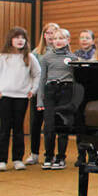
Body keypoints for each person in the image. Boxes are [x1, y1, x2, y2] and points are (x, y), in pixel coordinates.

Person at [0, 27, 41, 171]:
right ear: (11, 39)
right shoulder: (1, 57)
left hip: (21, 97)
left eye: (22, 38)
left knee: (18, 128)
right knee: (5, 127)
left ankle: (17, 159)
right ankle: (0, 160)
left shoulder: (29, 57)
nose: (20, 40)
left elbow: (37, 74)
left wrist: (33, 90)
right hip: (4, 96)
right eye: (16, 37)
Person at [37, 28, 77, 170]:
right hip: (50, 90)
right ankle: (48, 156)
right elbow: (42, 79)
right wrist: (39, 100)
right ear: (52, 41)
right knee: (49, 125)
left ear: (68, 40)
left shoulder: (73, 58)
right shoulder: (46, 58)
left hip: (66, 90)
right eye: (55, 38)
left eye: (61, 38)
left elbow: (76, 79)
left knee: (62, 125)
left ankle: (61, 157)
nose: (58, 41)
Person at [28, 22, 60, 166]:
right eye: (48, 33)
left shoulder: (60, 52)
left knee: (51, 125)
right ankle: (34, 153)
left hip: (54, 93)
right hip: (38, 93)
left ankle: (51, 154)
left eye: (53, 32)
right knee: (36, 123)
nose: (50, 36)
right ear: (44, 35)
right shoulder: (36, 53)